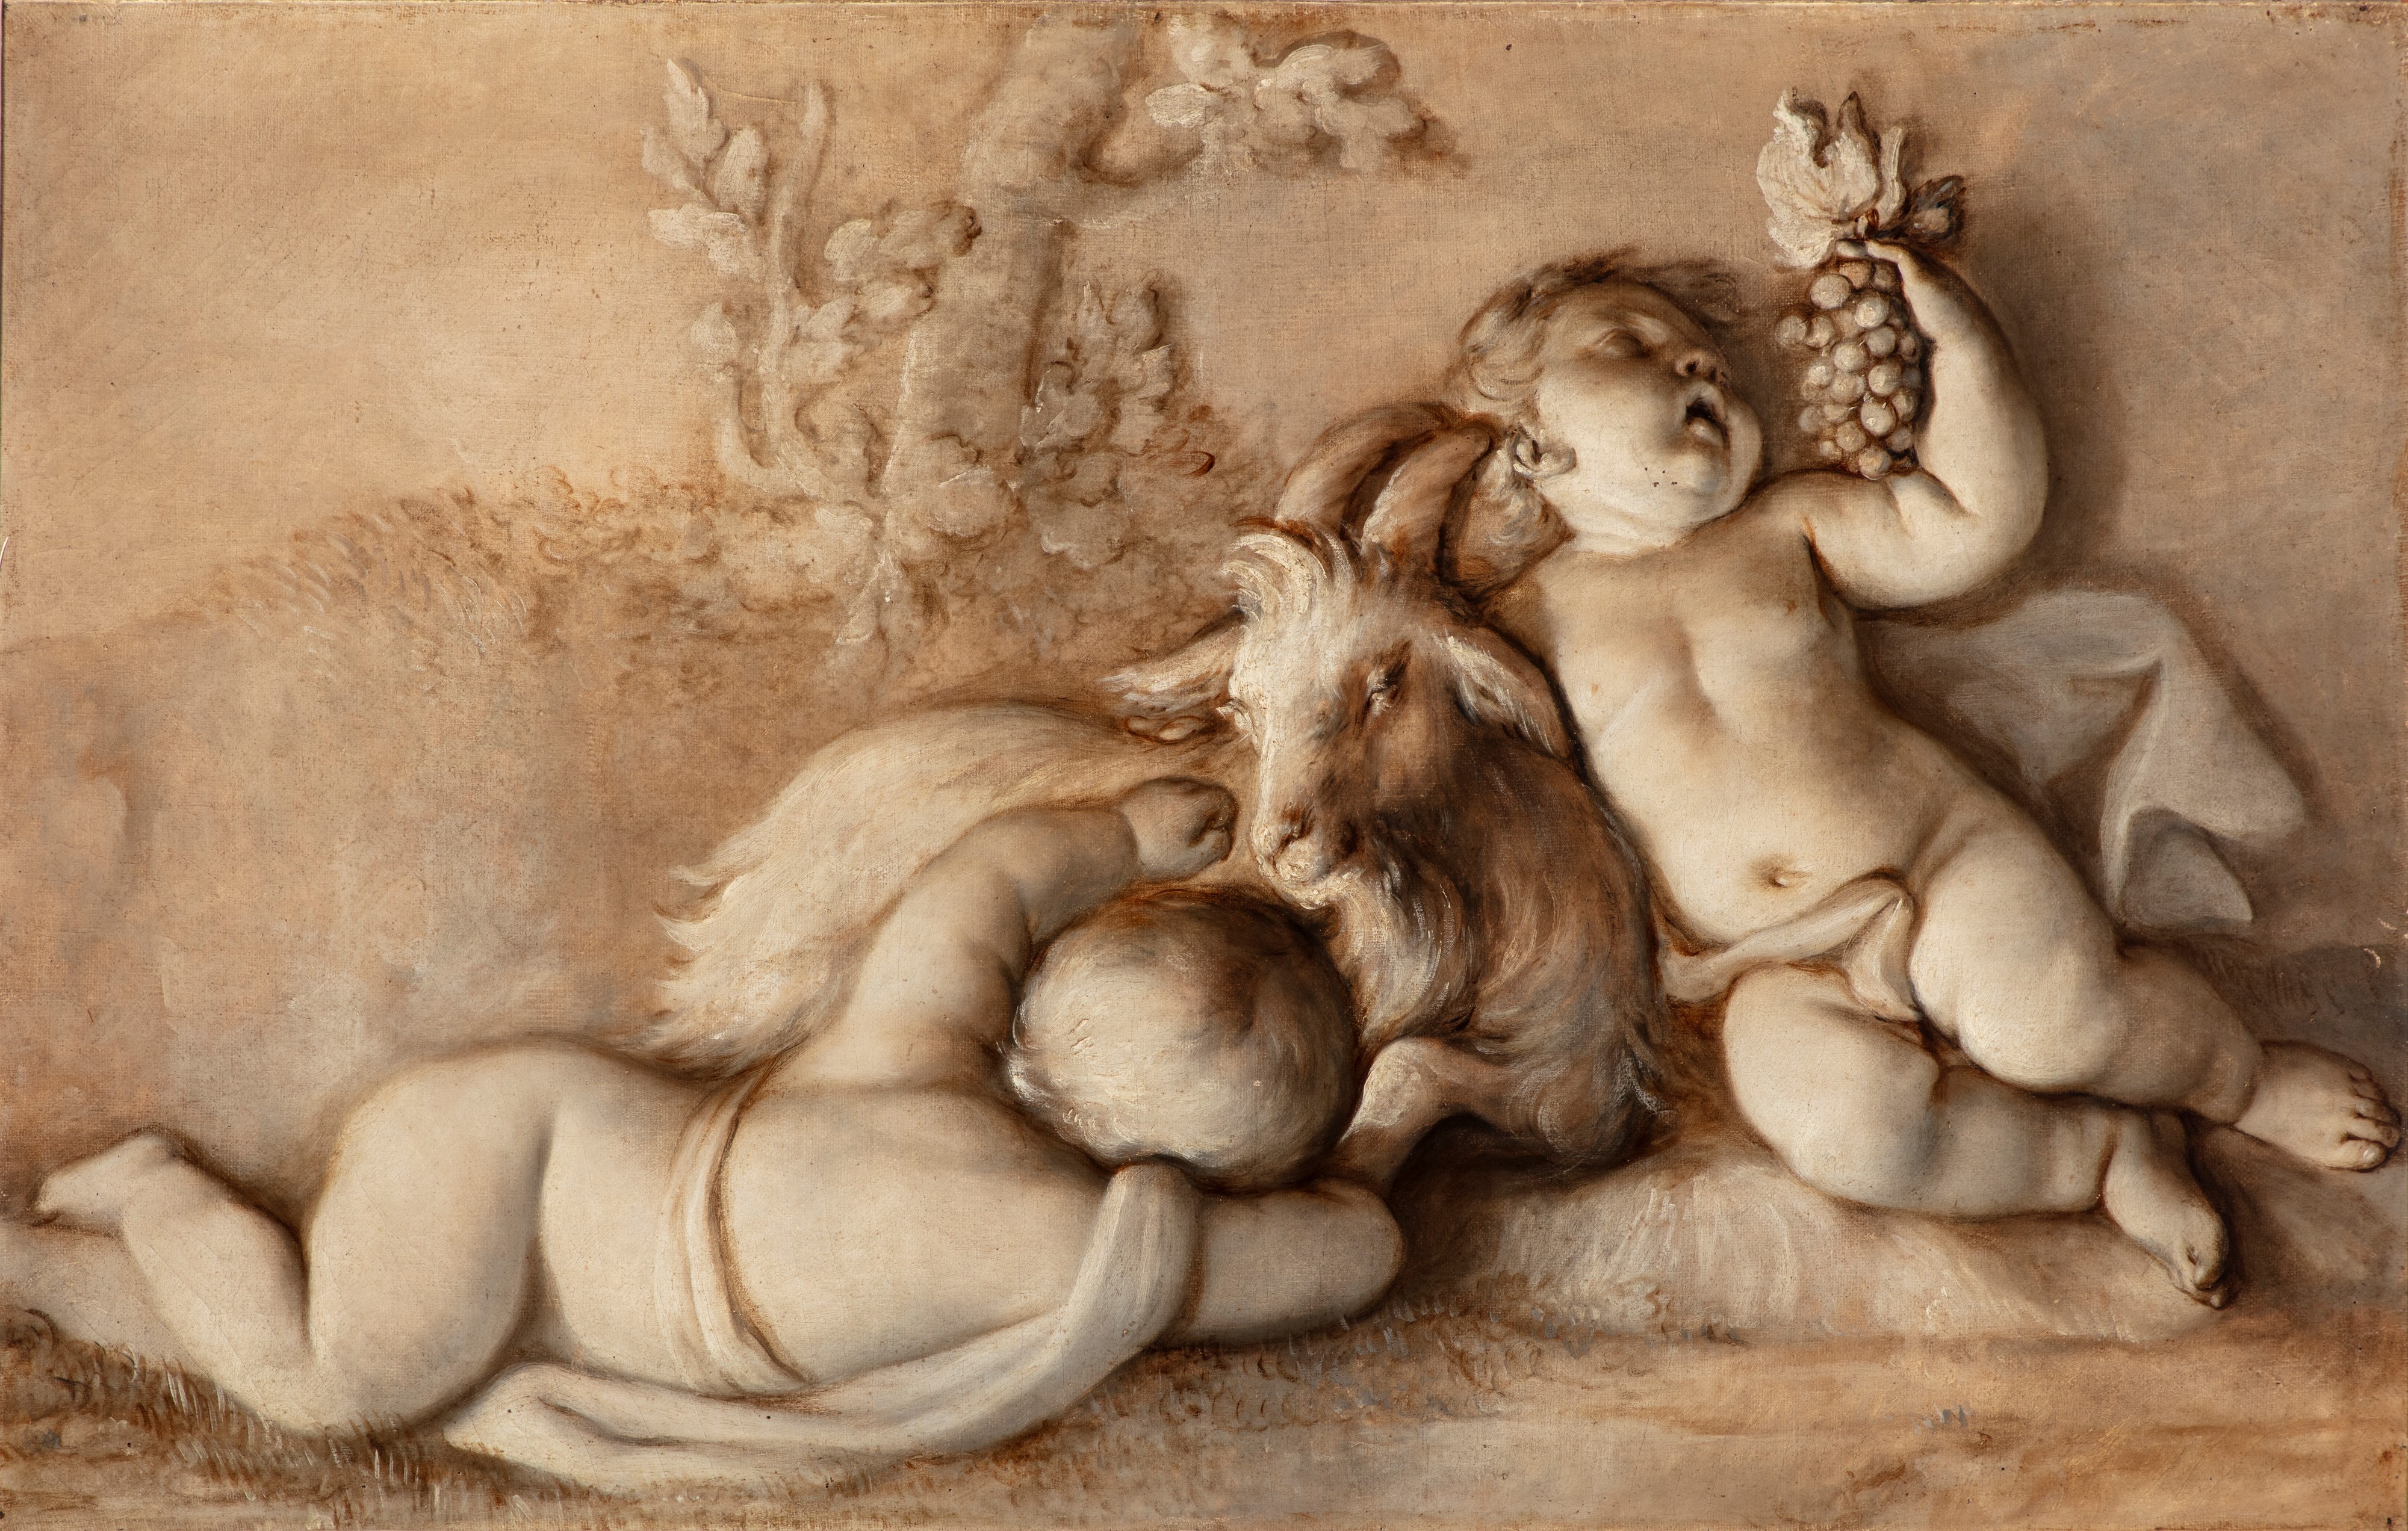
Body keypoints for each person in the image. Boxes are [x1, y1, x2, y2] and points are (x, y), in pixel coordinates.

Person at [1444, 240, 2397, 1304]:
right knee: (1848, 1136)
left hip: (1940, 864)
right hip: (1762, 967)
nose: (1698, 362)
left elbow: (1977, 522)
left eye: (1705, 350)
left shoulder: (1787, 526)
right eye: (1631, 345)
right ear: (1530, 444)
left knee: (2060, 1021)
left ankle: (2243, 1080)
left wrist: (1960, 340)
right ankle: (2099, 1154)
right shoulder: (1520, 627)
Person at [8, 778, 1404, 1486]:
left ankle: (44, 1269)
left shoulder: (919, 1038)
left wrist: (1122, 837)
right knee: (327, 1382)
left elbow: (980, 885)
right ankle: (158, 1190)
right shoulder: (1062, 1241)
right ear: (1198, 1174)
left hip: (537, 1130)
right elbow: (1343, 1260)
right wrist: (1373, 1159)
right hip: (515, 1178)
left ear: (1051, 995)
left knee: (342, 1356)